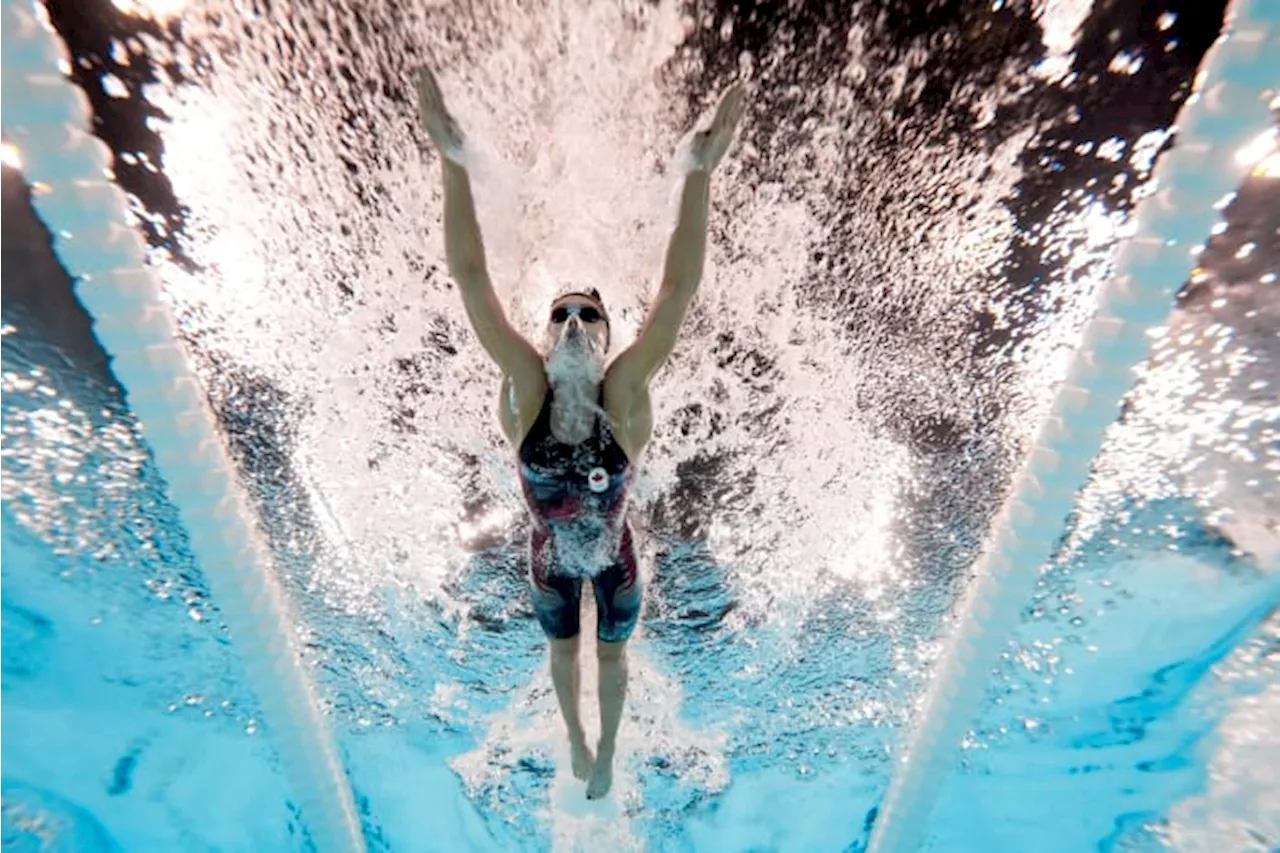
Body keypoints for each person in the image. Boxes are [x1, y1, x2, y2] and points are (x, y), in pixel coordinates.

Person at [415, 67, 745, 799]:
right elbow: (472, 281)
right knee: (565, 654)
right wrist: (452, 158)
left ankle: (611, 748)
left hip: (617, 553)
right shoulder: (526, 389)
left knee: (613, 659)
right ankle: (574, 735)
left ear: (604, 339)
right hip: (551, 563)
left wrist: (698, 173)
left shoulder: (624, 397)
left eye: (587, 316)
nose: (571, 323)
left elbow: (676, 294)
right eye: (560, 313)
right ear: (544, 332)